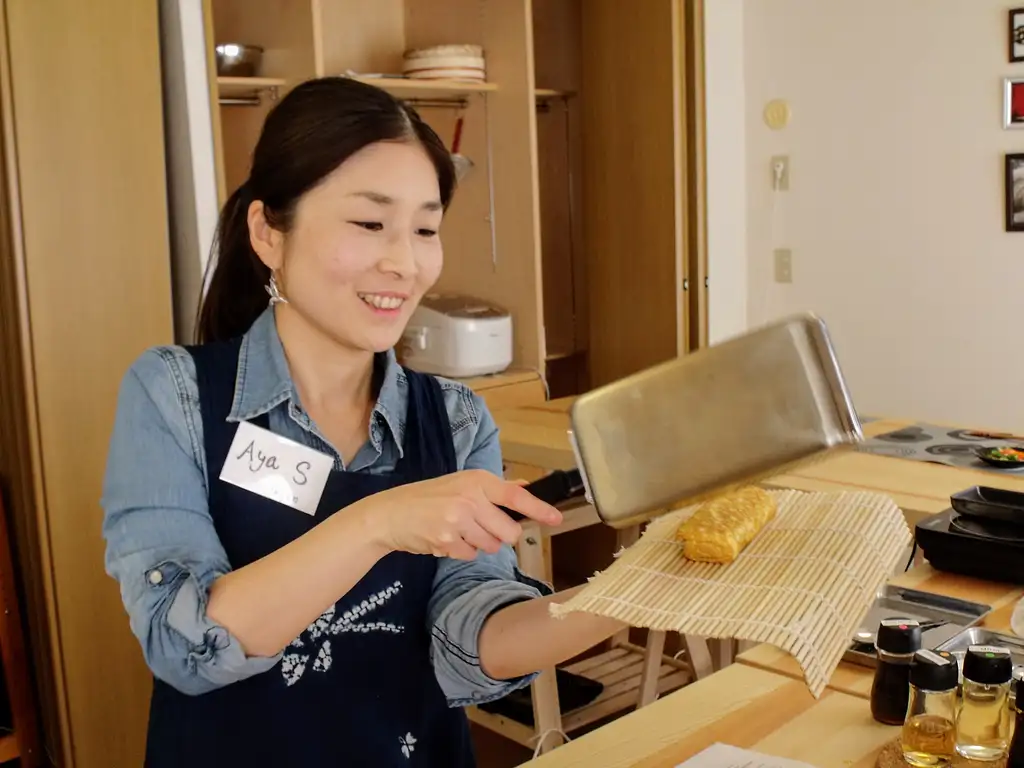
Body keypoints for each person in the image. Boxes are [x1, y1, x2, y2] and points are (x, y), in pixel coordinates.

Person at [101, 77, 625, 767]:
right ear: (268, 232)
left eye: (426, 229)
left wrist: (635, 597)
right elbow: (185, 647)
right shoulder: (175, 396)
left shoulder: (457, 421)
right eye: (370, 223)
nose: (405, 264)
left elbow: (470, 636)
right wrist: (379, 521)